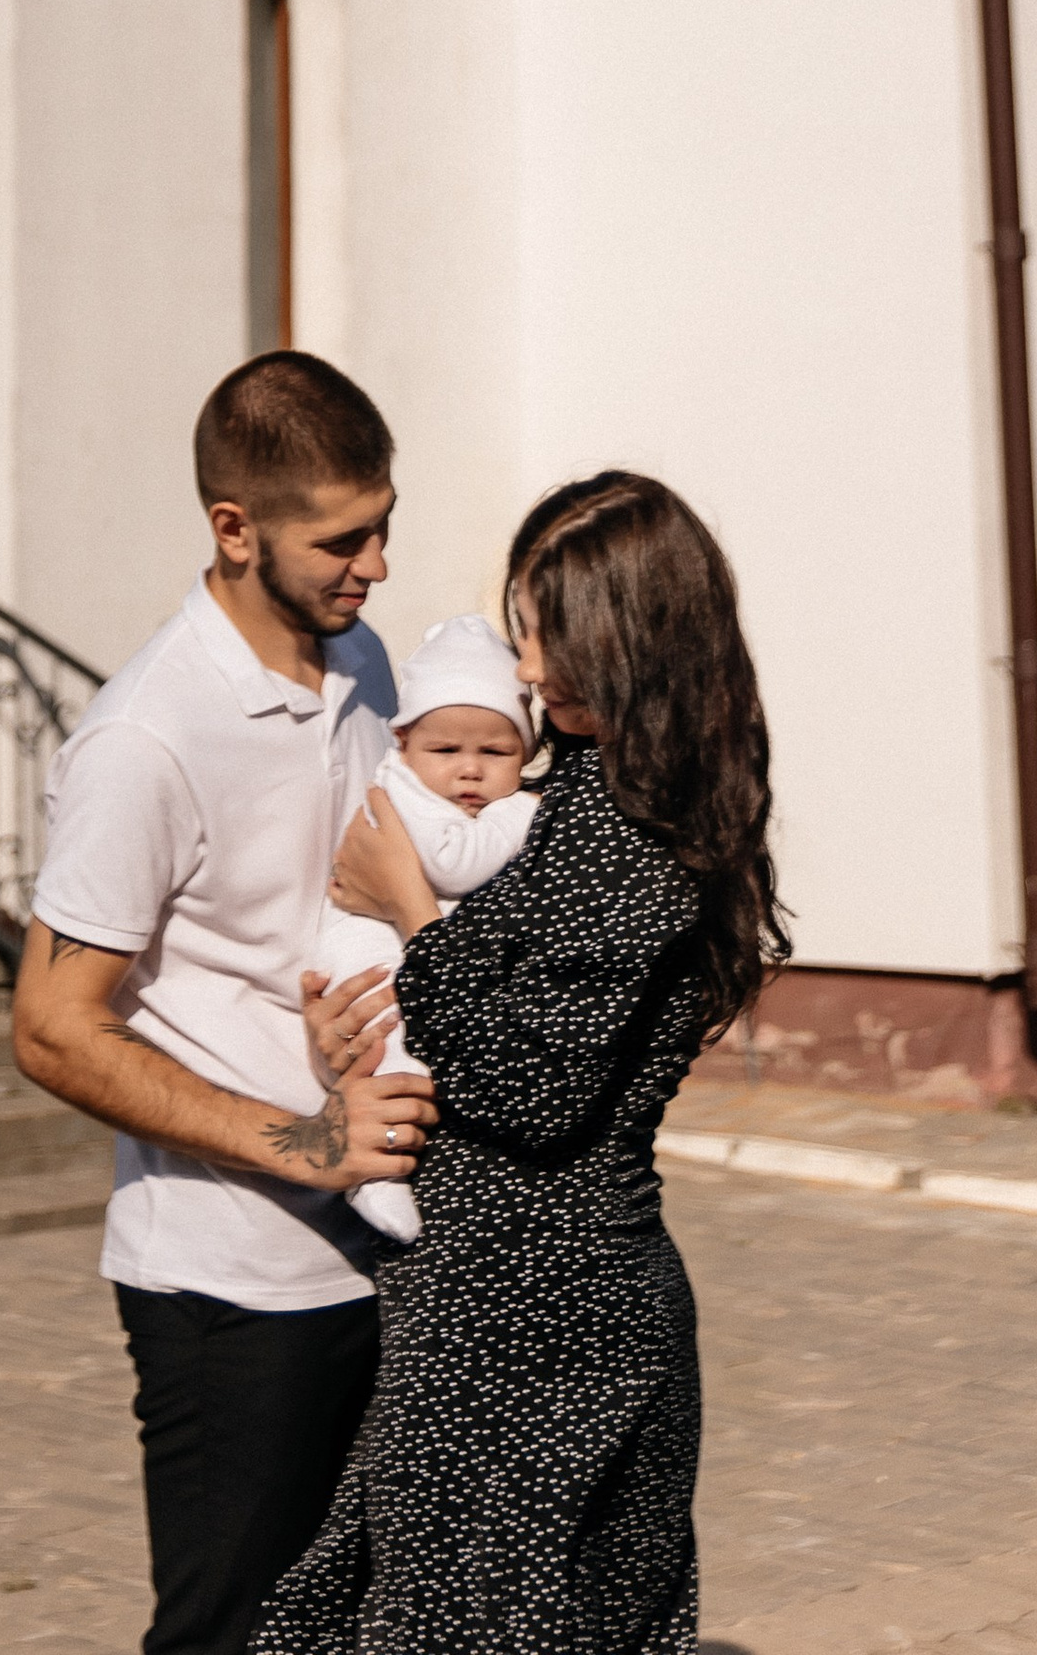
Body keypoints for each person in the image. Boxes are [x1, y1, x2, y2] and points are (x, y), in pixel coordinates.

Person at [253, 469, 790, 1655]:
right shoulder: (574, 797)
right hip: (486, 1301)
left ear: (626, 639)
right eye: (518, 633)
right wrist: (359, 1027)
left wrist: (411, 918)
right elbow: (482, 1025)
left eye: (543, 635)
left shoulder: (641, 839)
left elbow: (529, 1088)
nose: (526, 670)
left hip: (546, 1320)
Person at [12, 353, 441, 1655]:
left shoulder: (363, 661)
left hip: (386, 1256)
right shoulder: (147, 735)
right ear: (235, 530)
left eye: (383, 527)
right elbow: (50, 1025)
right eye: (342, 540)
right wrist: (302, 1143)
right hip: (228, 1286)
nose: (374, 566)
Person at [308, 614, 539, 1245]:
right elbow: (452, 862)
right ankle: (375, 1173)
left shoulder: (446, 792)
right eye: (445, 751)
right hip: (368, 949)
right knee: (393, 1053)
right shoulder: (401, 790)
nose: (469, 772)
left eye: (495, 752)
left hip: (402, 944)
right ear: (404, 743)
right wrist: (524, 808)